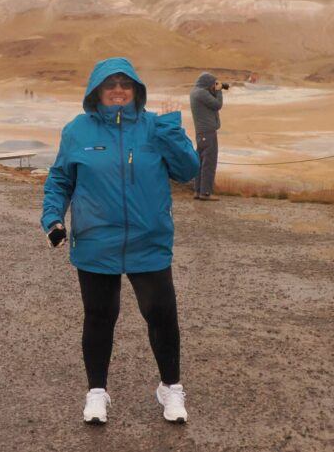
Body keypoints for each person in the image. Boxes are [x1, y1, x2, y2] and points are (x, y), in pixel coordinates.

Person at [41, 57, 200, 425]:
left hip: (150, 240)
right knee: (99, 317)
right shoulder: (77, 131)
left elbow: (188, 171)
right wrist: (53, 219)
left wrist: (171, 129)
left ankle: (170, 388)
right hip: (97, 242)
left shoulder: (154, 128)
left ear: (136, 91)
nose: (117, 90)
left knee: (161, 316)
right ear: (96, 90)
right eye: (110, 84)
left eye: (125, 84)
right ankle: (96, 392)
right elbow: (60, 181)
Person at [189, 72, 224, 201]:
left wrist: (213, 91)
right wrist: (219, 92)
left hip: (201, 132)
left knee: (201, 162)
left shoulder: (195, 92)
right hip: (208, 131)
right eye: (213, 83)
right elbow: (217, 105)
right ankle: (206, 193)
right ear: (208, 83)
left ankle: (198, 191)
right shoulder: (202, 93)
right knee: (209, 162)